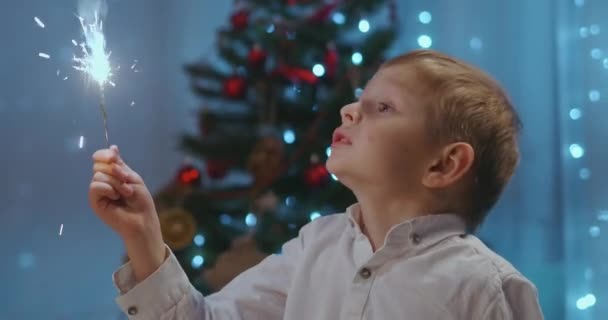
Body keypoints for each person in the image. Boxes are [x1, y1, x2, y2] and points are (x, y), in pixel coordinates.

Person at [89, 49, 544, 319]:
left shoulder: (484, 289)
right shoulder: (315, 247)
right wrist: (144, 237)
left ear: (444, 165)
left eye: (383, 107)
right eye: (357, 100)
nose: (350, 110)